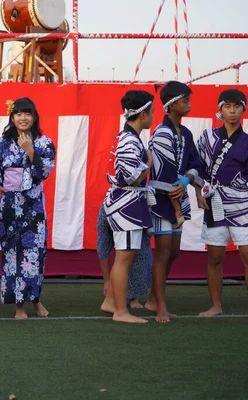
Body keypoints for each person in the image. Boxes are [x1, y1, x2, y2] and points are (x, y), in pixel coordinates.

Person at [0, 98, 55, 319]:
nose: (23, 118)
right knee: (12, 254)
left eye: (27, 113)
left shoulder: (44, 142)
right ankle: (19, 307)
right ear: (12, 117)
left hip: (33, 206)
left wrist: (30, 151)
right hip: (9, 206)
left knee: (34, 255)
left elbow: (44, 172)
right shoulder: (1, 144)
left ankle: (35, 300)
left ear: (34, 117)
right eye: (18, 114)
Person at [144, 81, 204, 323]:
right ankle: (160, 307)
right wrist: (177, 189)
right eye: (185, 101)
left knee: (174, 252)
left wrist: (187, 182)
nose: (189, 104)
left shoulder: (186, 133)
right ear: (171, 105)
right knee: (163, 253)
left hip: (177, 196)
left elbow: (196, 165)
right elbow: (163, 172)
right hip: (161, 200)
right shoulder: (161, 133)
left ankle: (152, 298)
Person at [100, 90, 155, 324]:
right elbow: (133, 177)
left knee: (125, 257)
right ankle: (120, 311)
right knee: (124, 258)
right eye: (152, 112)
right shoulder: (129, 140)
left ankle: (112, 301)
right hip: (126, 204)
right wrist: (148, 163)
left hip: (124, 202)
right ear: (143, 114)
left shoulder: (126, 138)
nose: (153, 116)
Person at [197, 89, 248, 317]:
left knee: (247, 254)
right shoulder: (207, 138)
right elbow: (196, 169)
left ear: (243, 110)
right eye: (227, 106)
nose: (232, 111)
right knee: (215, 256)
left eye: (236, 106)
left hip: (242, 204)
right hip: (214, 203)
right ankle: (215, 306)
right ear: (220, 109)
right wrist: (198, 191)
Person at [96, 205, 152, 307]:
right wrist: (106, 280)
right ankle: (114, 293)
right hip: (120, 207)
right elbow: (102, 246)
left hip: (134, 207)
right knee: (109, 247)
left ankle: (132, 296)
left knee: (136, 249)